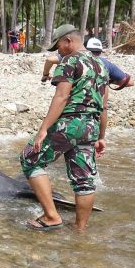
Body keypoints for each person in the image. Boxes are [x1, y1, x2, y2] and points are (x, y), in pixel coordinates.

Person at [20, 24, 109, 232]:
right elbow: (104, 106)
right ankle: (80, 230)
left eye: (58, 45)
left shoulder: (70, 60)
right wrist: (101, 136)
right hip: (91, 127)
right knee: (84, 180)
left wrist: (43, 130)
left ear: (69, 41)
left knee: (29, 159)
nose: (57, 51)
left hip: (69, 124)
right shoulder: (102, 65)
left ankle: (51, 216)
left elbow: (62, 96)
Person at [41, 37, 134, 90]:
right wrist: (105, 79)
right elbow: (129, 82)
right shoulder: (106, 64)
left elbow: (50, 60)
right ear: (100, 51)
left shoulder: (73, 58)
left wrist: (46, 74)